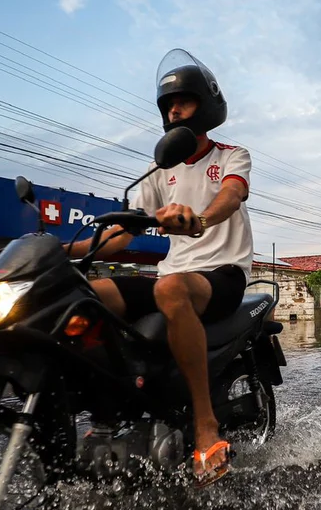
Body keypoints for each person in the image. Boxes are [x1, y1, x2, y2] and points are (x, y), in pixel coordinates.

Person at [65, 49, 253, 486]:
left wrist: (200, 220)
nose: (172, 109)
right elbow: (124, 234)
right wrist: (66, 250)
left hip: (222, 272)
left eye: (181, 101)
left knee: (170, 290)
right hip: (176, 273)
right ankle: (110, 408)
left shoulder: (231, 155)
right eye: (168, 104)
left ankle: (206, 426)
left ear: (205, 105)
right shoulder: (157, 169)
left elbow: (231, 197)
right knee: (89, 296)